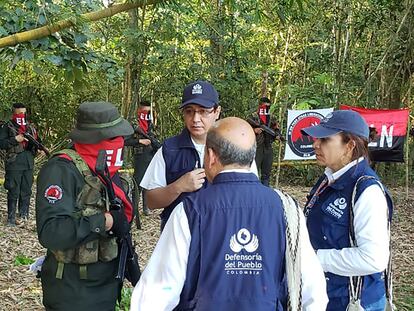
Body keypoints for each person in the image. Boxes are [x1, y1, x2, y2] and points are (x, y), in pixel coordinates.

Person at [130, 117, 328, 310]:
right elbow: (312, 288)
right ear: (251, 156)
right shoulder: (287, 208)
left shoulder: (189, 211)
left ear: (211, 156)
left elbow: (156, 292)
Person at [35, 102, 135, 311]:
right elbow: (51, 232)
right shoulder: (61, 169)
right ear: (95, 138)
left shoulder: (106, 169)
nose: (118, 142)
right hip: (73, 292)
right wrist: (105, 221)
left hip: (106, 286)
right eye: (111, 137)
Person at [301, 110, 393, 311]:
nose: (315, 144)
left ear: (349, 145)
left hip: (353, 301)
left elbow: (374, 259)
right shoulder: (329, 177)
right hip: (328, 295)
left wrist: (314, 258)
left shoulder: (366, 191)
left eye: (325, 139)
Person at [141, 80, 258, 231]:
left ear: (216, 111)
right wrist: (178, 187)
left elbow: (252, 194)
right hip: (179, 236)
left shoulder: (237, 146)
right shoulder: (170, 150)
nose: (195, 119)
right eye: (189, 111)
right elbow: (151, 201)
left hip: (224, 234)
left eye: (203, 111)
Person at [0, 103, 42, 226]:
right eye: (19, 113)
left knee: (26, 190)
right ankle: (11, 218)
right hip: (14, 162)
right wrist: (15, 140)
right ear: (14, 113)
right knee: (13, 189)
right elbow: (1, 143)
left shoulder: (30, 127)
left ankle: (24, 215)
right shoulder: (7, 126)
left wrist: (39, 150)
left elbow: (38, 142)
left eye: (23, 113)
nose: (21, 116)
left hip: (28, 162)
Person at [125, 100, 158, 216]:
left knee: (148, 181)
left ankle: (145, 208)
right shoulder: (132, 122)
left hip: (150, 152)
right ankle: (133, 210)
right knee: (138, 182)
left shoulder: (151, 120)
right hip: (140, 153)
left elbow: (154, 135)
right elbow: (125, 141)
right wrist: (139, 141)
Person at [251, 97, 281, 187]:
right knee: (254, 172)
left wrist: (278, 136)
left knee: (266, 175)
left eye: (268, 107)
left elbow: (277, 129)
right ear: (260, 106)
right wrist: (254, 130)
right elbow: (244, 129)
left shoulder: (271, 118)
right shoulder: (253, 116)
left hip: (268, 147)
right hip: (257, 147)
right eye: (264, 107)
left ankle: (265, 193)